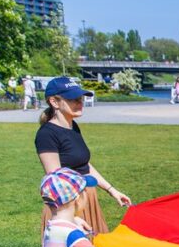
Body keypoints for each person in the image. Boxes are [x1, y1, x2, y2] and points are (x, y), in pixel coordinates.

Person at [35, 76, 132, 236]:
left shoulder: (73, 126)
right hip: (66, 205)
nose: (80, 102)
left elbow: (84, 165)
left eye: (80, 98)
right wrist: (70, 218)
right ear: (54, 102)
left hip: (86, 199)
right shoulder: (47, 134)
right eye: (73, 99)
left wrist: (112, 191)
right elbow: (56, 181)